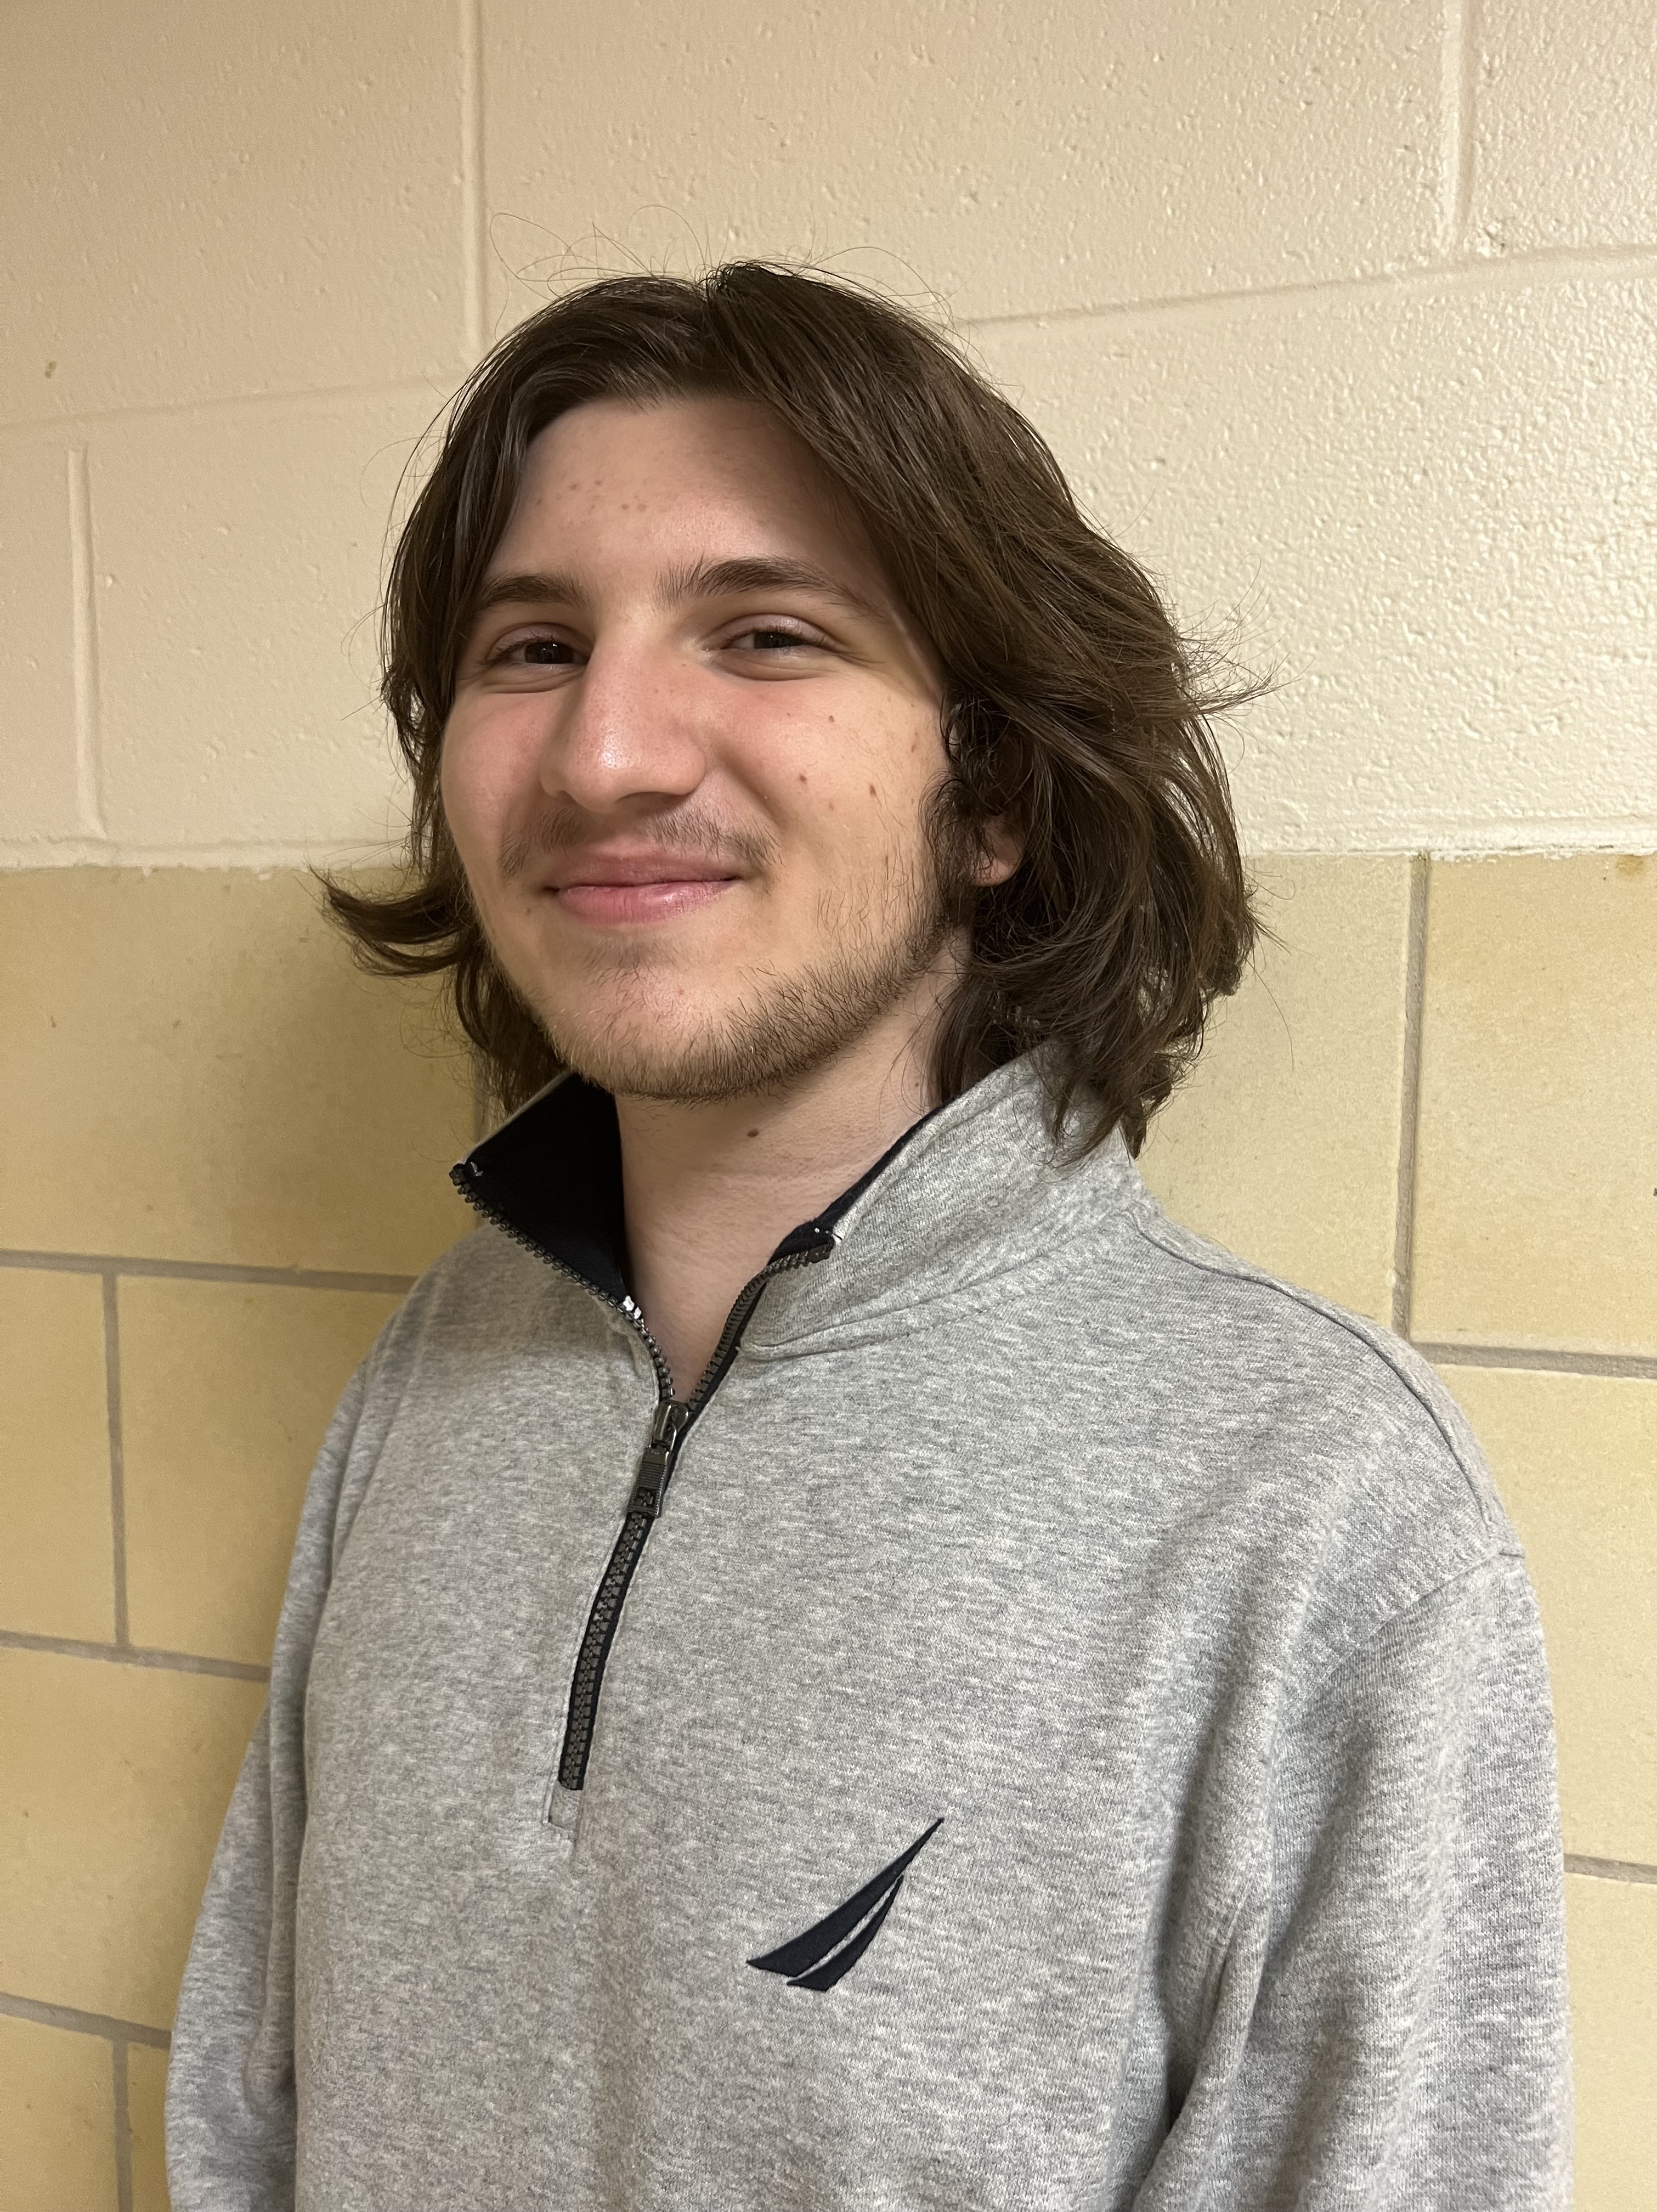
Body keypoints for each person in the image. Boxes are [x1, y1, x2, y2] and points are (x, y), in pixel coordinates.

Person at [166, 264, 1569, 2210]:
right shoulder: (436, 1364)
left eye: (765, 634)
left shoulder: (1312, 1506)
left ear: (995, 794)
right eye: (533, 648)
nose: (604, 755)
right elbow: (251, 2119)